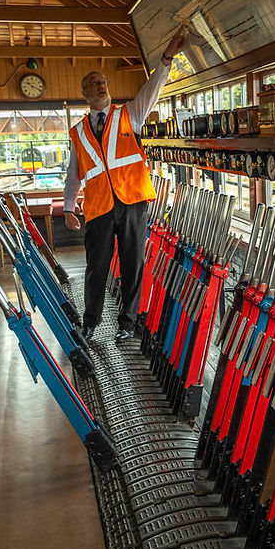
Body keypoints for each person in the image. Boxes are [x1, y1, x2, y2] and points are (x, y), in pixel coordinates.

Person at [63, 28, 187, 343]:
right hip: (99, 208)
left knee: (133, 265)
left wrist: (167, 58)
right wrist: (67, 207)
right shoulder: (77, 132)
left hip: (132, 203)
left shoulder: (129, 115)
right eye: (93, 82)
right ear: (85, 94)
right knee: (97, 268)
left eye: (103, 81)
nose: (100, 85)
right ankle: (91, 322)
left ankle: (127, 323)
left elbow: (153, 88)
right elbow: (73, 174)